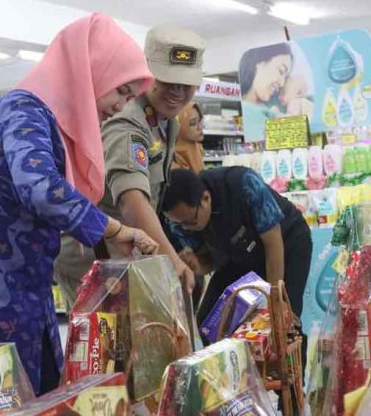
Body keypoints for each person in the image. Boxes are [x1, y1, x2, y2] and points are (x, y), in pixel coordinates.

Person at [0, 13, 159, 396]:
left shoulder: (53, 122)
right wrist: (118, 229)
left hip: (22, 289)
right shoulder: (23, 109)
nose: (123, 105)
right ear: (92, 71)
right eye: (121, 91)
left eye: (130, 97)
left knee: (36, 397)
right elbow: (41, 189)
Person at [54, 26, 204, 306]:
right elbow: (132, 203)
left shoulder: (164, 120)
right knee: (105, 343)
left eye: (185, 84)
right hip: (94, 259)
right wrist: (171, 261)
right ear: (147, 74)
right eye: (168, 81)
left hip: (123, 254)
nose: (177, 92)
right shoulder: (127, 119)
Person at [161, 167, 311, 336]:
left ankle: (292, 357)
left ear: (206, 198)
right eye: (179, 224)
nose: (186, 228)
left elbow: (273, 242)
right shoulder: (181, 223)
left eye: (191, 221)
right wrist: (197, 264)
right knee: (208, 323)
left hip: (286, 243)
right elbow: (211, 262)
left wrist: (275, 298)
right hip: (240, 255)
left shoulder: (243, 183)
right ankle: (235, 361)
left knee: (283, 321)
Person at [239, 43, 294, 140]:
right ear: (260, 63)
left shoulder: (279, 105)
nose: (281, 83)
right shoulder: (246, 110)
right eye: (281, 71)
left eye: (285, 77)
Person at [172, 102, 205, 173]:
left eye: (200, 120)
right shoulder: (173, 160)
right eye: (193, 123)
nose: (200, 127)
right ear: (179, 127)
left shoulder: (198, 149)